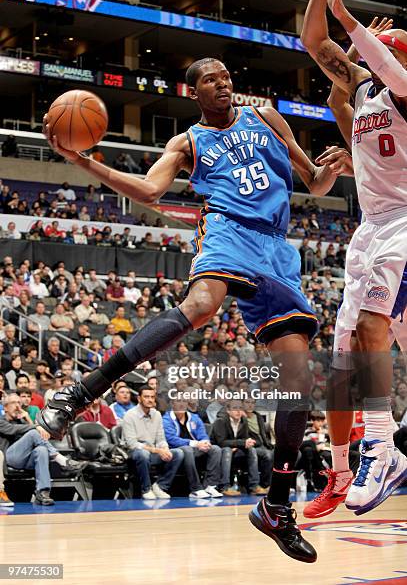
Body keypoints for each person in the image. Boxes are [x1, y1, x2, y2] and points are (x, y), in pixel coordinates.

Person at [40, 55, 340, 562]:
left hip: (277, 249)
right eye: (210, 80)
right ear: (193, 93)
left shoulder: (266, 116)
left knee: (299, 381)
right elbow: (150, 190)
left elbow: (312, 182)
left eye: (226, 76)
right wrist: (83, 161)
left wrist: (330, 169)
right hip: (226, 230)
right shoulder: (187, 143)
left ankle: (277, 506)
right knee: (200, 304)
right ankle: (82, 390)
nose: (223, 83)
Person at [301, 0, 407, 518]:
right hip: (369, 229)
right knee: (344, 360)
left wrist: (351, 22)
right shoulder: (364, 91)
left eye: (386, 50)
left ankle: (383, 447)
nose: (376, 57)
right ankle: (342, 472)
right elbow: (313, 45)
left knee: (371, 328)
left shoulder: (405, 90)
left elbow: (387, 68)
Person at [0, 393, 87, 505]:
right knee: (33, 432)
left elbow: (36, 433)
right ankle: (61, 460)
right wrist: (36, 426)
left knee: (41, 449)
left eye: (18, 403)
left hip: (25, 459)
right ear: (5, 407)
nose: (17, 406)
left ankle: (43, 493)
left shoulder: (21, 421)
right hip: (9, 458)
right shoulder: (1, 420)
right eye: (13, 403)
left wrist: (27, 417)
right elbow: (13, 430)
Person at [122, 385, 183, 499]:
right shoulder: (129, 415)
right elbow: (132, 444)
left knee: (178, 453)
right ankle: (146, 489)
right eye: (146, 397)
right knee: (142, 454)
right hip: (134, 453)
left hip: (152, 452)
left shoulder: (157, 414)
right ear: (139, 398)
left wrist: (165, 449)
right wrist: (157, 450)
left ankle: (160, 486)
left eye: (152, 397)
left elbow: (161, 439)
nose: (150, 399)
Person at [163, 397, 223, 498]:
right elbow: (171, 439)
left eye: (184, 401)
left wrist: (205, 442)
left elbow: (202, 434)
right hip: (174, 450)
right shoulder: (166, 419)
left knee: (215, 449)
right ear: (172, 404)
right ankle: (196, 489)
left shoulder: (194, 417)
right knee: (188, 450)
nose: (181, 404)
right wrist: (195, 444)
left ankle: (210, 486)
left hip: (195, 447)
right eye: (178, 401)